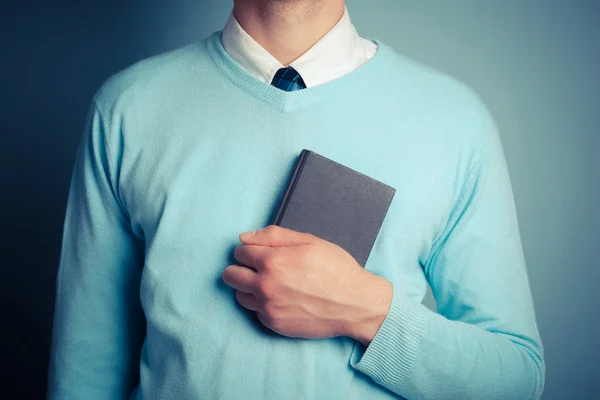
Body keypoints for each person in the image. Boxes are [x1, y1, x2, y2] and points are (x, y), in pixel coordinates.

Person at [47, 0, 545, 399]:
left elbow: (515, 377)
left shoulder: (454, 121)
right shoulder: (127, 108)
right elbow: (83, 373)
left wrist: (365, 312)